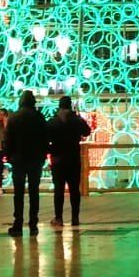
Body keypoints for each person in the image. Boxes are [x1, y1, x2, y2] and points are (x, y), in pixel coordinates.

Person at [4, 91, 48, 237]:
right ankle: (33, 224)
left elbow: (8, 139)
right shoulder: (39, 117)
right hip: (35, 160)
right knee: (34, 192)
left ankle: (18, 223)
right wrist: (43, 156)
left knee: (19, 193)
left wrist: (9, 156)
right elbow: (44, 138)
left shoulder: (14, 117)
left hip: (18, 160)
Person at [48, 95, 91, 226]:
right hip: (73, 158)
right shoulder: (76, 120)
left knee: (59, 189)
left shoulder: (53, 121)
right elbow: (87, 131)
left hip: (57, 160)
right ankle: (75, 218)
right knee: (74, 190)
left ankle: (59, 218)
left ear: (59, 106)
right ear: (70, 105)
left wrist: (50, 149)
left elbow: (46, 137)